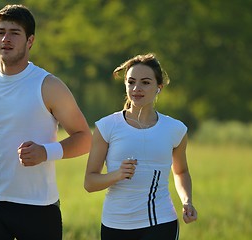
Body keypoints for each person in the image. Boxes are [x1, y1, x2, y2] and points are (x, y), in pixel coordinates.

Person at [0, 4, 92, 240]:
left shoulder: (49, 86)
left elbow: (85, 138)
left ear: (30, 41)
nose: (6, 39)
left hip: (38, 206)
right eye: (1, 32)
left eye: (15, 33)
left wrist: (46, 152)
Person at [84, 53, 197, 240]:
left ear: (159, 87)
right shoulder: (107, 126)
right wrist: (117, 175)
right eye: (131, 82)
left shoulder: (175, 129)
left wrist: (187, 201)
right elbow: (89, 183)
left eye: (145, 82)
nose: (136, 88)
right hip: (115, 224)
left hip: (159, 222)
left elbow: (181, 172)